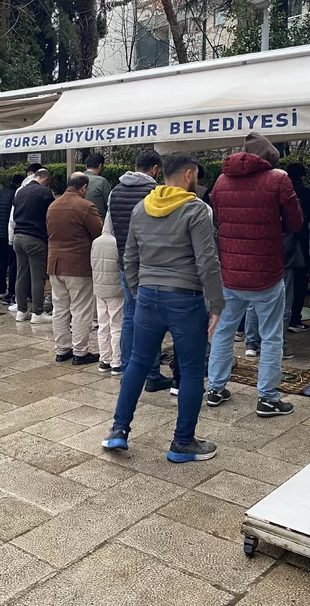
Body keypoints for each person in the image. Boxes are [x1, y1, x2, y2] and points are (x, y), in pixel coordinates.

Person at [102, 153, 225, 463]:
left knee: (137, 364)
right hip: (185, 299)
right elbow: (207, 260)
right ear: (189, 175)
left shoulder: (141, 207)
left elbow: (129, 255)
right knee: (192, 370)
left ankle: (119, 430)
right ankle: (182, 442)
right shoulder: (196, 209)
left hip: (147, 296)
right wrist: (216, 303)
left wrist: (137, 289)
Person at [206, 132, 304, 415]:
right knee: (271, 336)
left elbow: (219, 218)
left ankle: (215, 389)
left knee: (223, 331)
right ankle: (267, 397)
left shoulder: (221, 181)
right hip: (267, 273)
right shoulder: (278, 179)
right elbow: (296, 222)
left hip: (230, 273)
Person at [106, 149, 172, 391]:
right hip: (151, 266)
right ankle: (152, 374)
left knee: (129, 318)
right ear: (155, 169)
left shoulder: (115, 191)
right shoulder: (156, 192)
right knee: (151, 320)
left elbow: (111, 227)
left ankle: (127, 372)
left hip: (126, 262)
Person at [47, 173, 104, 364]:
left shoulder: (53, 206)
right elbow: (99, 233)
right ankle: (80, 352)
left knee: (60, 308)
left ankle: (62, 349)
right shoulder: (85, 206)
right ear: (84, 187)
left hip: (55, 264)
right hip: (78, 265)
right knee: (81, 309)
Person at [11, 168, 55, 324]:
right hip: (35, 238)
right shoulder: (45, 192)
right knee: (37, 277)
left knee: (21, 275)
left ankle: (21, 311)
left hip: (18, 237)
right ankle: (37, 312)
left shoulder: (20, 192)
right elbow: (52, 215)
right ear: (45, 179)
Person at [91, 222, 125, 374]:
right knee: (116, 326)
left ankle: (104, 360)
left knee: (103, 325)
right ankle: (117, 362)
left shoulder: (96, 242)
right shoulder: (117, 242)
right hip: (115, 290)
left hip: (99, 289)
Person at [286, 163, 310, 332]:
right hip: (302, 244)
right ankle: (294, 319)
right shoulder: (309, 194)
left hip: (280, 244)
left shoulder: (281, 191)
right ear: (303, 176)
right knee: (299, 283)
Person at [0, 174, 23, 305]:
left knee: (1, 262)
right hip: (9, 232)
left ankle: (1, 289)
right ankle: (12, 291)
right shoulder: (16, 194)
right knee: (13, 263)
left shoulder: (1, 192)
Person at [83, 154, 112, 219]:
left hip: (78, 220)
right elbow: (110, 204)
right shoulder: (102, 182)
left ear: (86, 166)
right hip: (98, 219)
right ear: (100, 166)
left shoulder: (75, 179)